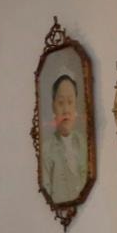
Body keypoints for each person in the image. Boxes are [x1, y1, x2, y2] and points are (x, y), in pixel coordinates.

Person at [41, 69, 88, 207]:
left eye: (70, 102)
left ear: (76, 106)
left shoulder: (84, 144)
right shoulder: (46, 149)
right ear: (53, 107)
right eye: (61, 103)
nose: (66, 109)